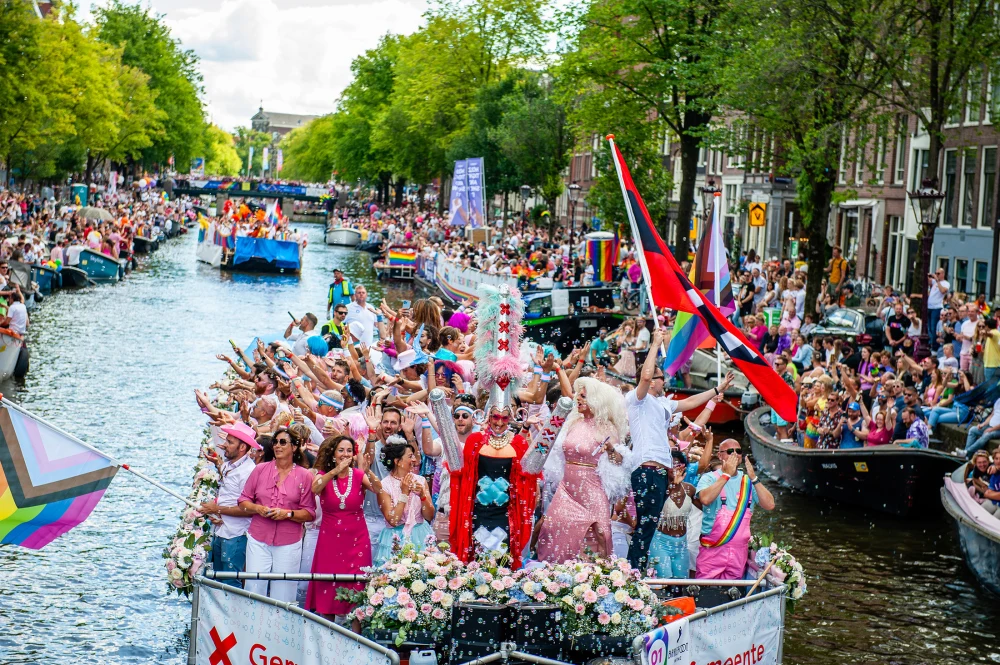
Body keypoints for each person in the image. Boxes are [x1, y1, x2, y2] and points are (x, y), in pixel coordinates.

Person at [626, 328, 736, 571]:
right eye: (660, 377)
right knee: (645, 525)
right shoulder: (637, 399)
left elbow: (690, 402)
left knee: (650, 526)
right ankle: (633, 572)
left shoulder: (663, 403)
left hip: (661, 472)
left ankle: (639, 570)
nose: (664, 381)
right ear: (651, 381)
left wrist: (717, 389)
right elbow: (645, 376)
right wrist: (655, 343)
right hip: (645, 469)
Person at [536, 377, 631, 562]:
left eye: (583, 396)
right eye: (578, 396)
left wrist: (611, 449)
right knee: (553, 527)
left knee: (600, 533)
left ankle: (596, 573)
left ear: (596, 400)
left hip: (592, 488)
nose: (578, 399)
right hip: (567, 488)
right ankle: (556, 572)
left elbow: (619, 461)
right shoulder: (573, 422)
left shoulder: (606, 427)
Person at [306, 435, 382, 624]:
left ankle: (355, 636)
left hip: (357, 540)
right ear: (333, 454)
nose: (345, 454)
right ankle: (328, 634)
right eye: (341, 450)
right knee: (327, 587)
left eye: (349, 450)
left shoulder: (358, 475)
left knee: (356, 587)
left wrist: (366, 470)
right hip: (330, 541)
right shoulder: (323, 475)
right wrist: (335, 471)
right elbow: (315, 489)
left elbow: (378, 488)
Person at [237, 428, 316, 603]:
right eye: (275, 442)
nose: (277, 446)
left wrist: (287, 514)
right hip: (258, 538)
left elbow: (310, 513)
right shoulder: (260, 470)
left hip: (288, 541)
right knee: (253, 588)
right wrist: (258, 509)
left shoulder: (304, 476)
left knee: (284, 593)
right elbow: (243, 500)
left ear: (294, 447)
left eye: (282, 442)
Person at [696, 439, 775, 579]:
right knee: (707, 588)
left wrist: (754, 478)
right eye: (729, 451)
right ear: (720, 455)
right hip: (713, 550)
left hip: (739, 553)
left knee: (733, 589)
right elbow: (705, 499)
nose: (734, 454)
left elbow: (770, 505)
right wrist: (726, 475)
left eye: (738, 451)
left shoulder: (748, 481)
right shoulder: (709, 478)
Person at [199, 422, 259, 588]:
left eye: (230, 442)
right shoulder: (228, 465)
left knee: (231, 581)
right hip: (222, 529)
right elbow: (228, 494)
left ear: (242, 448)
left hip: (236, 534)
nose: (225, 445)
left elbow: (249, 510)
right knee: (218, 580)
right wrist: (217, 512)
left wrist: (216, 509)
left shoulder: (249, 471)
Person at [374, 436, 435, 565]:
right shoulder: (384, 486)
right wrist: (404, 493)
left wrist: (423, 496)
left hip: (420, 534)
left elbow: (429, 516)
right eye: (410, 456)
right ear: (397, 461)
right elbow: (393, 520)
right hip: (395, 538)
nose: (414, 460)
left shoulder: (420, 480)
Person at [647, 451, 700, 578]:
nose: (676, 467)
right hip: (660, 541)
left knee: (681, 581)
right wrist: (674, 485)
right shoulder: (657, 488)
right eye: (672, 464)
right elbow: (654, 508)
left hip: (681, 544)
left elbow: (706, 506)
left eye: (679, 464)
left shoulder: (689, 489)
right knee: (664, 580)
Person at [927, 269, 949, 351]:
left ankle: (934, 347)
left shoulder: (946, 283)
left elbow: (943, 291)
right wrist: (928, 275)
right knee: (929, 328)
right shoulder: (934, 282)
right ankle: (930, 344)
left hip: (937, 308)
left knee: (934, 328)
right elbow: (927, 281)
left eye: (938, 273)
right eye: (936, 273)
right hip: (929, 307)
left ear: (943, 274)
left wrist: (937, 280)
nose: (936, 274)